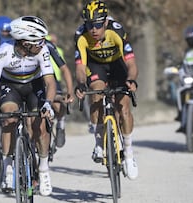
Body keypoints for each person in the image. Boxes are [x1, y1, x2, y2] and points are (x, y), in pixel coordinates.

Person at [0, 16, 56, 196]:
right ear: (24, 42)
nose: (42, 43)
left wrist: (48, 103)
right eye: (38, 41)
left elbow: (51, 82)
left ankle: (44, 169)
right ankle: (8, 166)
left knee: (40, 124)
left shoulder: (42, 50)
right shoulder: (3, 52)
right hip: (11, 86)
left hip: (34, 85)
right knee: (8, 118)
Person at [74, 0, 139, 180]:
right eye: (89, 25)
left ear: (105, 22)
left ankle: (129, 152)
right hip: (96, 67)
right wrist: (80, 84)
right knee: (95, 92)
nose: (93, 29)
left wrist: (131, 79)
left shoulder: (116, 30)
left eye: (96, 24)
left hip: (117, 65)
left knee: (124, 107)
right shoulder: (80, 36)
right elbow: (80, 67)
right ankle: (98, 142)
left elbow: (131, 64)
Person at [45, 34, 74, 148]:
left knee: (57, 104)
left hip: (52, 79)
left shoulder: (50, 46)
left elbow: (64, 69)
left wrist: (69, 90)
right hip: (34, 80)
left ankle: (60, 123)